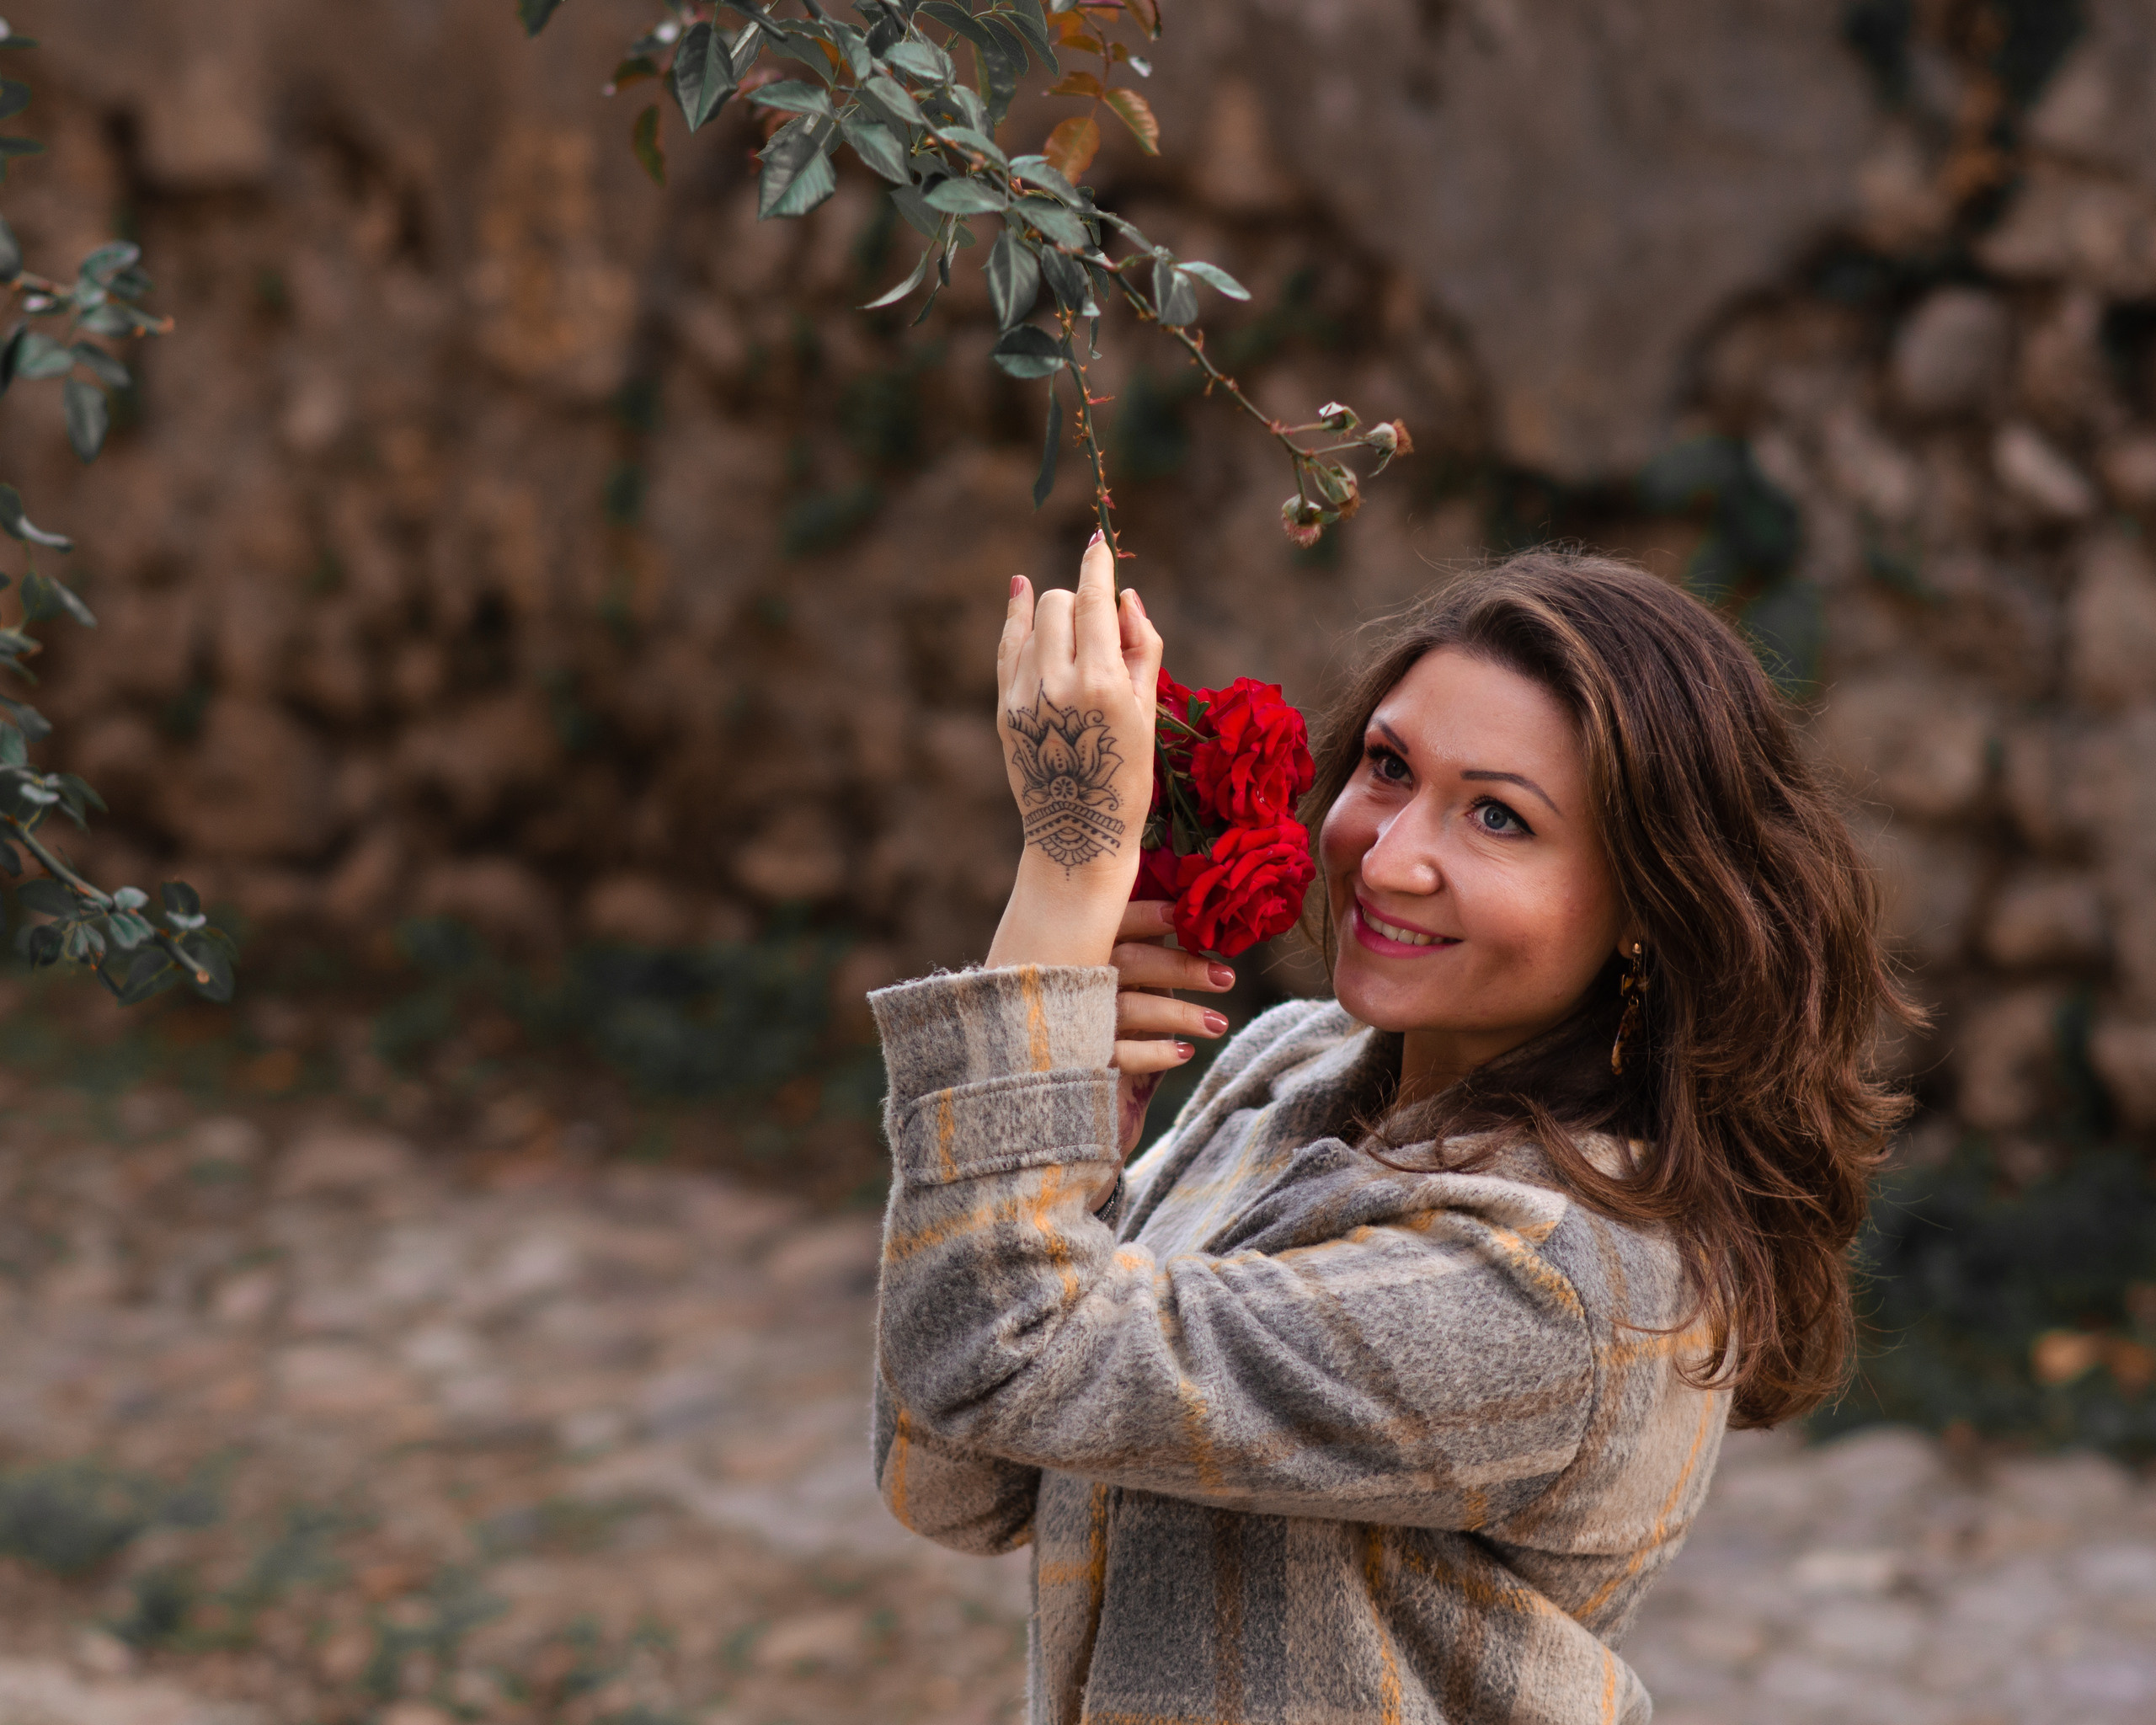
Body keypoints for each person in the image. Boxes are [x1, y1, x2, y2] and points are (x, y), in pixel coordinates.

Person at [867, 537, 1917, 1724]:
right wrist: (1073, 1137)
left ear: (1646, 902)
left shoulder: (1558, 1280)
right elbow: (957, 1482)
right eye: (1388, 767)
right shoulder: (1284, 1067)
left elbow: (998, 1353)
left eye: (1499, 818)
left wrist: (1067, 876)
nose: (1391, 855)